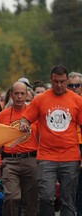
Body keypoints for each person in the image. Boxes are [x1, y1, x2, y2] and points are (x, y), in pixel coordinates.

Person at [20, 65, 82, 216]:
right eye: (55, 82)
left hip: (70, 157)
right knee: (46, 197)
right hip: (47, 157)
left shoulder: (77, 101)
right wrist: (24, 123)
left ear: (67, 80)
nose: (59, 85)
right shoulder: (40, 99)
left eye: (62, 81)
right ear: (51, 80)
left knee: (68, 200)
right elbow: (26, 117)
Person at [0, 81, 38, 216]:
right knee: (12, 197)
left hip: (31, 160)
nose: (19, 97)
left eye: (22, 94)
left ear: (27, 95)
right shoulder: (3, 115)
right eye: (16, 93)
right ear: (11, 95)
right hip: (10, 161)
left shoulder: (34, 114)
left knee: (30, 201)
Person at [67, 71, 82, 215]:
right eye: (70, 85)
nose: (74, 88)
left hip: (80, 146)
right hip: (69, 146)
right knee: (71, 188)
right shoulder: (64, 103)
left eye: (77, 85)